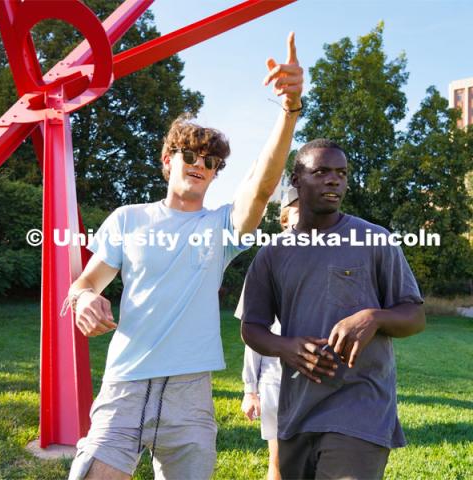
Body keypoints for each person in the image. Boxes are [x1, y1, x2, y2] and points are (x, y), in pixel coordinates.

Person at [66, 33, 303, 480]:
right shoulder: (127, 218)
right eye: (190, 154)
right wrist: (82, 301)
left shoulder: (221, 227)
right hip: (125, 385)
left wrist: (289, 111)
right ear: (167, 159)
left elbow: (262, 185)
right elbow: (85, 283)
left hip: (190, 395)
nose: (200, 164)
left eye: (211, 162)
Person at [238, 139, 426, 480]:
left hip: (360, 408)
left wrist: (375, 317)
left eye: (341, 173)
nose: (333, 180)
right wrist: (287, 348)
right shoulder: (273, 254)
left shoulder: (375, 240)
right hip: (297, 412)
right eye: (321, 171)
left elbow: (414, 315)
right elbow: (252, 327)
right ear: (296, 180)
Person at [240, 187, 299, 480]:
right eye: (298, 211)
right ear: (285, 218)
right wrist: (251, 390)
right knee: (278, 465)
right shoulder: (268, 259)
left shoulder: (334, 256)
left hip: (322, 381)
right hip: (277, 381)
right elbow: (252, 334)